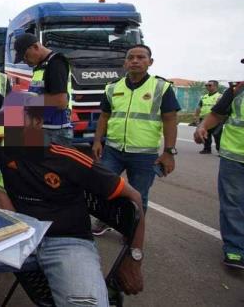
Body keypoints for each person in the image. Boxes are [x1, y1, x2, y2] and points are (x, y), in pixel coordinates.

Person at [0, 92, 146, 307]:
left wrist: (134, 257)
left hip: (67, 243)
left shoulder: (67, 157)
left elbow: (134, 197)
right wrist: (0, 194)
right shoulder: (1, 146)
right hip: (21, 236)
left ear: (38, 122)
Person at [91, 44, 180, 235]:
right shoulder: (112, 87)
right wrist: (97, 141)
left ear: (150, 62)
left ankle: (132, 231)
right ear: (125, 63)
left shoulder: (161, 87)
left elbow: (170, 119)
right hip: (113, 151)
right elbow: (104, 116)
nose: (135, 61)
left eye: (141, 57)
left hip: (144, 155)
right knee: (105, 187)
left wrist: (169, 152)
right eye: (131, 57)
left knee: (138, 196)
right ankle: (105, 220)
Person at [194, 62, 244, 270]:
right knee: (233, 203)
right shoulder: (236, 91)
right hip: (234, 156)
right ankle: (235, 249)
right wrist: (203, 126)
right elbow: (217, 114)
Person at [13, 32, 73, 146]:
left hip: (55, 132)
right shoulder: (40, 66)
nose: (25, 61)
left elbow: (61, 101)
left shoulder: (56, 63)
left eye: (26, 56)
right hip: (42, 129)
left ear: (35, 47)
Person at [193, 80, 223, 154]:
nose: (207, 87)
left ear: (216, 86)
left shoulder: (220, 96)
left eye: (209, 85)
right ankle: (207, 149)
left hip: (216, 120)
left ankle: (220, 150)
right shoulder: (204, 97)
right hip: (204, 119)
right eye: (206, 85)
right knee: (205, 134)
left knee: (217, 135)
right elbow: (199, 107)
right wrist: (196, 115)